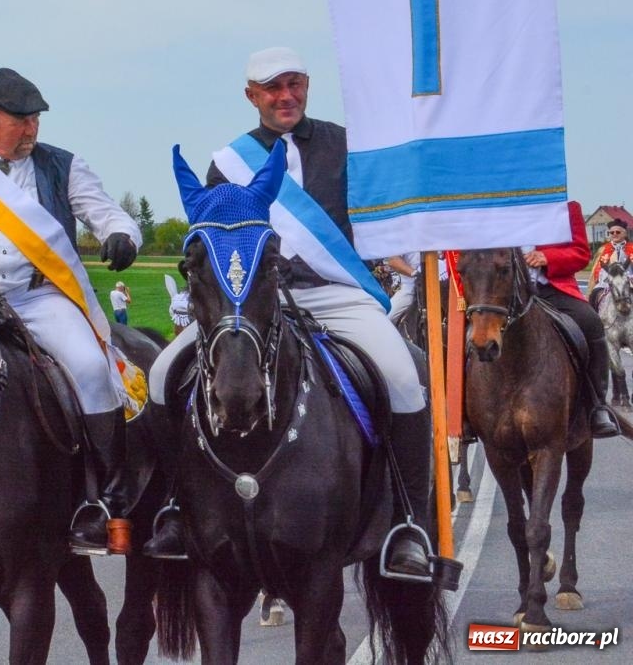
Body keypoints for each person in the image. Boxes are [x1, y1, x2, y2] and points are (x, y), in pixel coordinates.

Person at [142, 47, 436, 579]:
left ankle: (410, 525)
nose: (286, 96)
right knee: (163, 375)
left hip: (335, 292)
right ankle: (173, 508)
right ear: (252, 96)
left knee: (402, 376)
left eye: (295, 84)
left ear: (307, 86)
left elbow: (384, 215)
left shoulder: (346, 145)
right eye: (273, 88)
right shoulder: (227, 163)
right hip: (256, 302)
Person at [0, 67, 140, 555]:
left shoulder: (62, 165)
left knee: (88, 367)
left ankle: (109, 498)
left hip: (41, 299)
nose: (31, 129)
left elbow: (105, 211)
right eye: (20, 120)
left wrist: (122, 235)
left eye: (35, 120)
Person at [524, 201, 619, 438]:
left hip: (552, 290)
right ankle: (464, 411)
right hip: (508, 292)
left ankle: (598, 404)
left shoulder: (568, 208)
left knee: (591, 322)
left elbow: (580, 253)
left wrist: (548, 256)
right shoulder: (503, 205)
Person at [589, 217, 630, 310]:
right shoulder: (603, 249)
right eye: (612, 232)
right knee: (594, 295)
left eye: (618, 232)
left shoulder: (631, 249)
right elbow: (598, 270)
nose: (615, 234)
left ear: (624, 233)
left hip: (628, 281)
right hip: (606, 283)